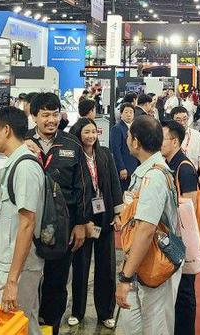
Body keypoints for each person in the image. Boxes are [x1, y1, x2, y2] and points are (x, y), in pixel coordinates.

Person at [24, 93, 91, 335]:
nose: (51, 120)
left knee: (56, 282)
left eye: (55, 114)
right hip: (29, 225)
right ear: (34, 116)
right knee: (28, 282)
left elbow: (83, 187)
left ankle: (50, 327)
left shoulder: (71, 144)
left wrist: (81, 223)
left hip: (63, 226)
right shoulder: (22, 142)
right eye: (45, 115)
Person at [116, 116, 182, 334]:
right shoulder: (147, 171)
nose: (127, 139)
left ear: (135, 142)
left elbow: (146, 230)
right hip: (141, 263)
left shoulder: (153, 177)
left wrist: (125, 277)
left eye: (129, 136)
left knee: (156, 328)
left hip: (154, 265)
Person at [0, 107, 45, 335]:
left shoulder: (25, 168)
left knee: (9, 327)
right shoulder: (17, 163)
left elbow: (27, 224)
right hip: (17, 266)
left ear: (7, 130)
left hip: (19, 268)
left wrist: (12, 281)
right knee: (26, 325)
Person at [69, 119, 123, 329]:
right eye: (86, 132)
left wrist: (118, 213)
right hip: (83, 219)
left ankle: (106, 312)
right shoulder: (74, 156)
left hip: (105, 216)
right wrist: (79, 220)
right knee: (80, 267)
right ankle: (77, 311)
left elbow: (115, 184)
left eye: (94, 132)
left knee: (106, 267)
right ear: (78, 134)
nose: (91, 136)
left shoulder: (105, 154)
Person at [161, 120, 200, 335]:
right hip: (172, 238)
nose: (159, 142)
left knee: (184, 292)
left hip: (182, 240)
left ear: (175, 141)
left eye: (163, 138)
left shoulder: (184, 168)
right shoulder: (168, 164)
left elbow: (190, 208)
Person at [171, 106, 200, 188]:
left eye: (185, 119)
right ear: (172, 120)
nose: (182, 123)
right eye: (178, 120)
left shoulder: (197, 135)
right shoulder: (168, 137)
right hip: (172, 178)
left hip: (192, 177)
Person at [110, 103, 139, 191]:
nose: (129, 114)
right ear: (121, 114)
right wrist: (121, 168)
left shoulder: (135, 128)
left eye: (131, 112)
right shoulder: (117, 128)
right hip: (125, 168)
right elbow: (116, 150)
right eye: (126, 112)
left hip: (135, 166)